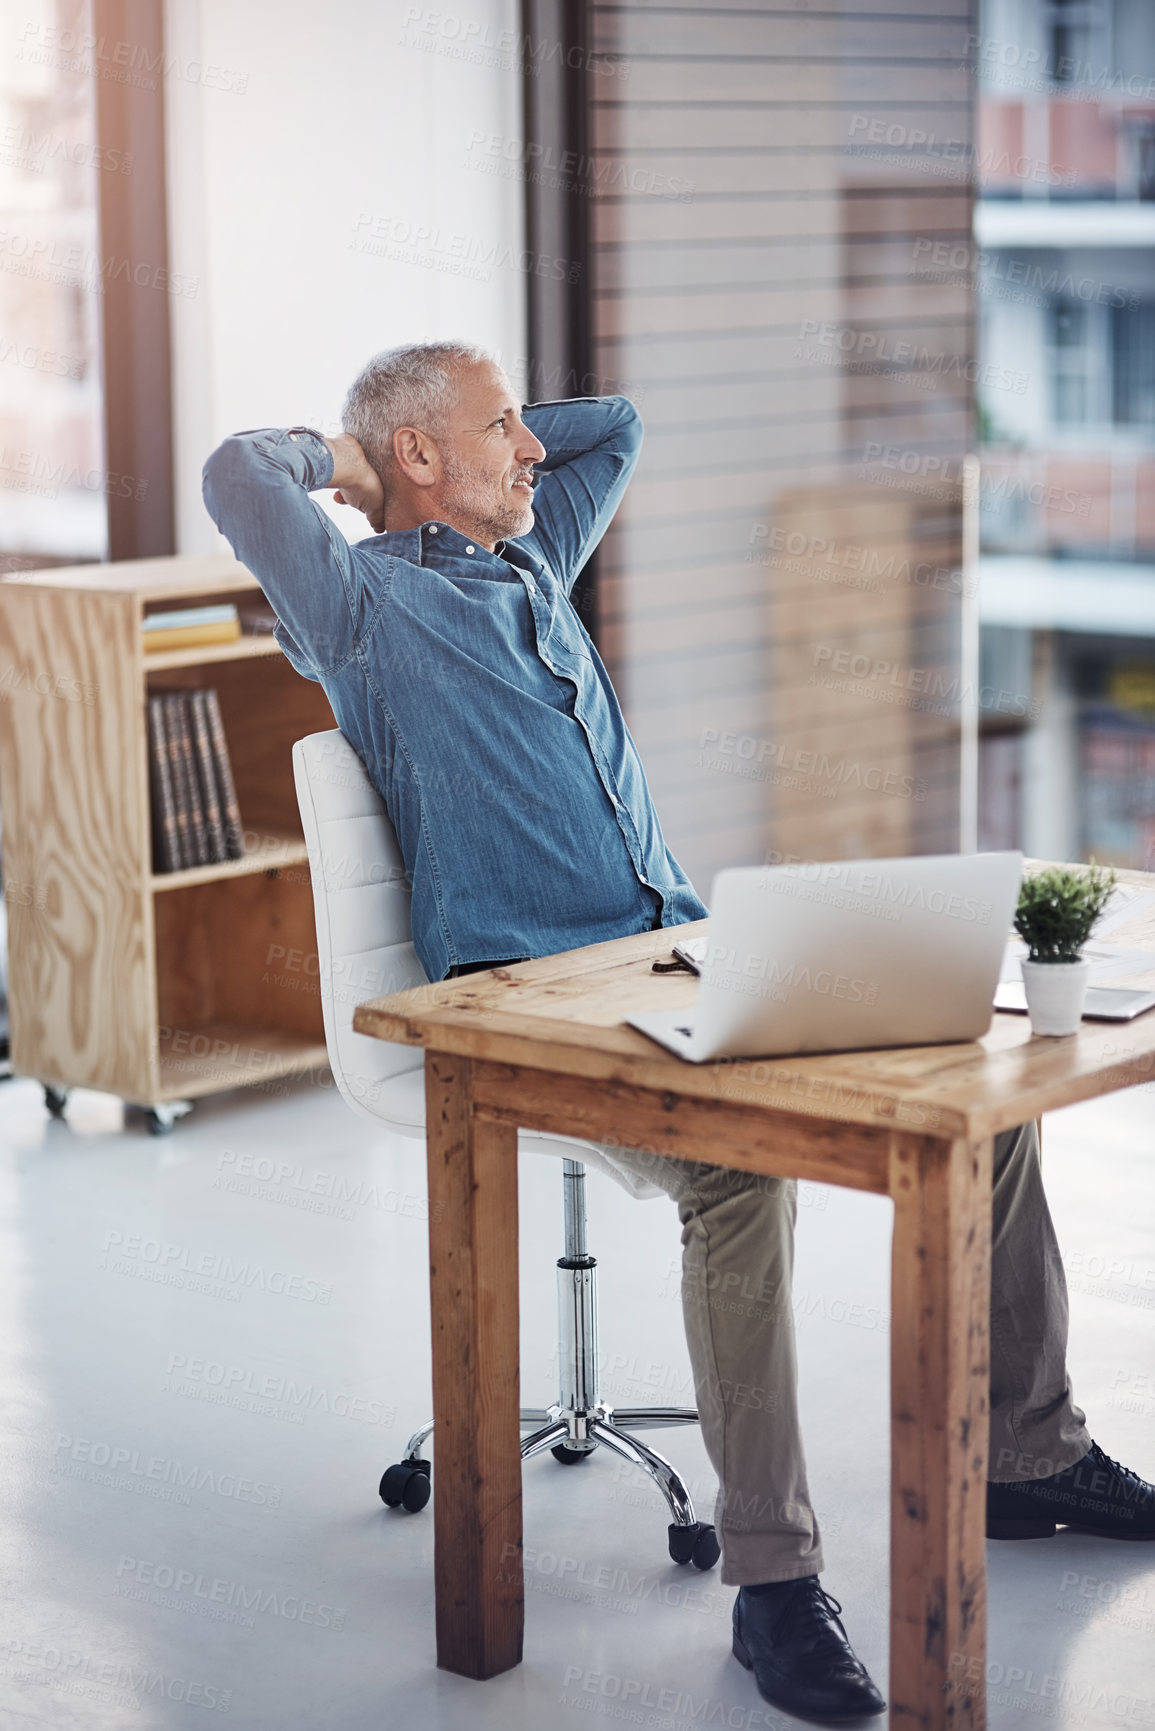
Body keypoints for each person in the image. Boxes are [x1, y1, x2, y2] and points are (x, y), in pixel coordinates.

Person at [203, 342, 1155, 1724]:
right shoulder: (356, 610)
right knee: (737, 1174)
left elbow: (620, 429)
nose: (533, 448)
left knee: (972, 1069)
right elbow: (238, 475)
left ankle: (1029, 1455)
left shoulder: (531, 564)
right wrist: (351, 464)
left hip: (674, 956)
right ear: (416, 460)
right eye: (497, 426)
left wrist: (470, 436)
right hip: (528, 1008)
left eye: (523, 424)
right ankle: (774, 1585)